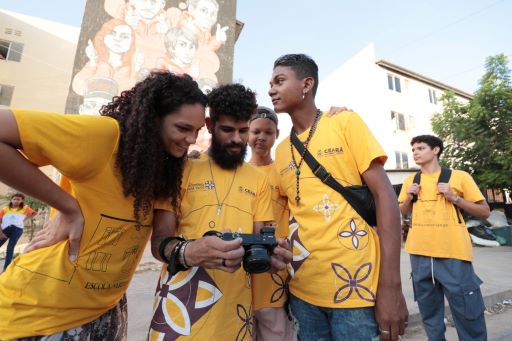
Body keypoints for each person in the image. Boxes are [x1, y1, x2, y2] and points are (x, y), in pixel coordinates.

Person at [0, 71, 207, 340]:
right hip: (38, 315)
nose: (192, 139)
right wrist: (68, 207)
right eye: (182, 128)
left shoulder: (161, 167)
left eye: (197, 131)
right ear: (153, 119)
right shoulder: (104, 136)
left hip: (105, 311)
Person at [268, 53, 408, 341]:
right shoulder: (280, 151)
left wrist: (391, 287)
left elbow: (385, 198)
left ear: (307, 84)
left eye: (279, 81)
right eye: (270, 83)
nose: (271, 89)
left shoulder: (344, 122)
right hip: (302, 290)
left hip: (355, 289)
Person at [148, 84, 292, 340]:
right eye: (227, 129)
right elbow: (159, 242)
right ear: (209, 124)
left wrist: (274, 259)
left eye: (243, 130)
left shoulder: (258, 180)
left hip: (235, 317)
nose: (237, 139)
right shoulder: (182, 168)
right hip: (178, 312)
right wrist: (190, 252)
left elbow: (262, 242)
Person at [398, 135, 489, 341]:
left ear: (436, 150)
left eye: (420, 148)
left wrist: (454, 198)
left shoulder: (459, 177)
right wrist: (409, 198)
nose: (415, 152)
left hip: (453, 254)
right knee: (429, 313)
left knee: (467, 311)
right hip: (419, 255)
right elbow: (401, 211)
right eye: (413, 149)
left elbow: (484, 212)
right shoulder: (410, 181)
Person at [248, 106, 294, 341]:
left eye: (268, 132)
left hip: (274, 272)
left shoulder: (284, 171)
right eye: (256, 131)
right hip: (242, 271)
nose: (261, 138)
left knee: (276, 331)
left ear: (277, 134)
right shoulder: (238, 173)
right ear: (247, 132)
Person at [72, 19, 141, 97]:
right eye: (112, 33)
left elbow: (131, 96)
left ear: (132, 42)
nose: (117, 39)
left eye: (124, 37)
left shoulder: (131, 70)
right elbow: (78, 88)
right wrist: (92, 62)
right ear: (103, 36)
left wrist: (136, 70)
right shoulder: (95, 65)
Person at [0, 192, 37, 271]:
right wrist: (1, 233)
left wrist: (25, 220)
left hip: (17, 230)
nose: (16, 201)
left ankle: (6, 269)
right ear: (11, 200)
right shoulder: (5, 209)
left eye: (18, 199)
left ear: (22, 201)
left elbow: (34, 213)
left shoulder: (25, 208)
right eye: (14, 199)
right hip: (5, 230)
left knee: (10, 248)